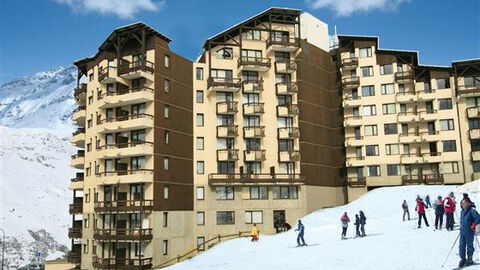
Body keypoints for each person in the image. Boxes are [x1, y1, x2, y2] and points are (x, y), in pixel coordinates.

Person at [457, 197, 480, 268]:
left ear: (468, 203)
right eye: (462, 203)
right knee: (461, 246)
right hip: (462, 231)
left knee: (469, 245)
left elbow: (478, 218)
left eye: (464, 203)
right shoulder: (462, 211)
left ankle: (470, 258)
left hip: (469, 231)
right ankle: (463, 259)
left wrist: (473, 225)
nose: (463, 204)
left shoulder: (472, 210)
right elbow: (462, 220)